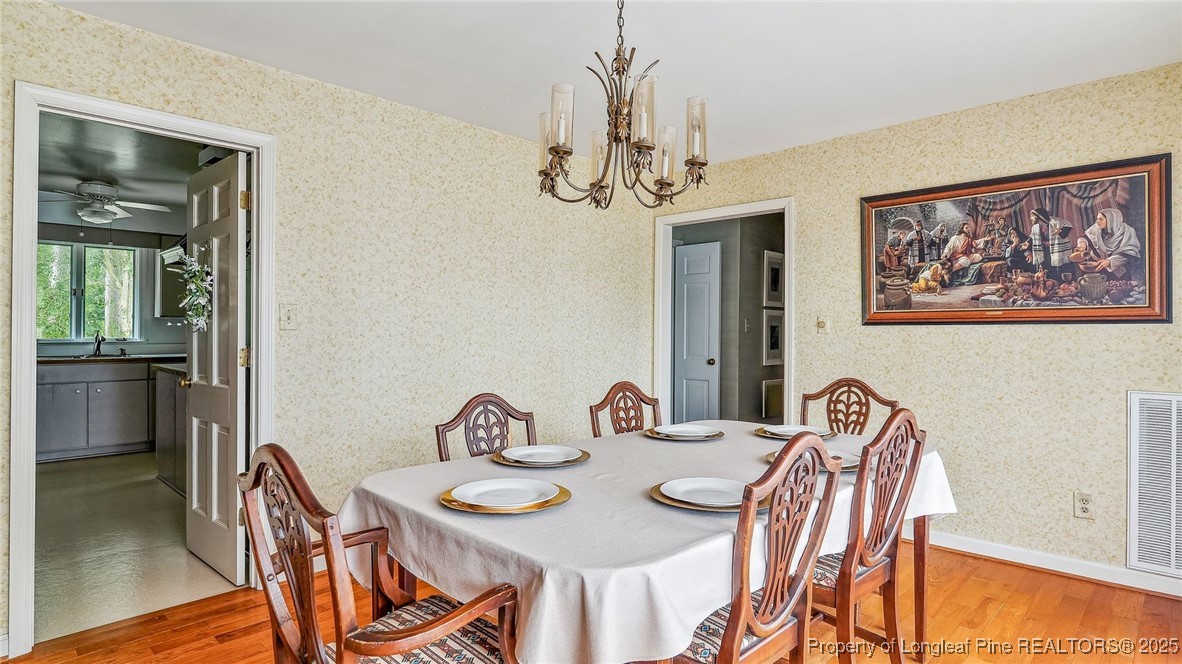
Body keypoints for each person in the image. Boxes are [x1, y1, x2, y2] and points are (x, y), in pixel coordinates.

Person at [1082, 207, 1141, 279]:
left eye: (1100, 219)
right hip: (1100, 271)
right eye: (1097, 219)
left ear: (1111, 220)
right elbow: (1086, 237)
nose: (1097, 222)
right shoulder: (1097, 228)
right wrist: (1082, 244)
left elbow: (1129, 254)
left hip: (1121, 274)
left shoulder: (1128, 232)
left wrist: (1109, 261)